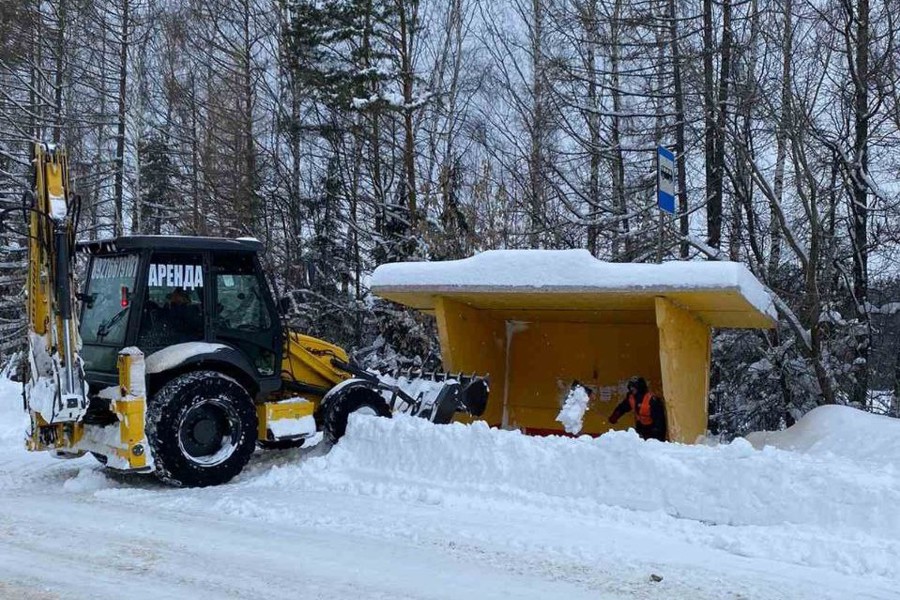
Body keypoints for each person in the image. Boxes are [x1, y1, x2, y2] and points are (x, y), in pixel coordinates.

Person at [608, 376, 667, 441]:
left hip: (653, 428)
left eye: (633, 387)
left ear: (640, 387)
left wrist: (658, 434)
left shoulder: (652, 400)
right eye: (630, 387)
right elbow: (623, 407)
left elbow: (660, 419)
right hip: (640, 427)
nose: (632, 389)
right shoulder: (631, 398)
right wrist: (615, 415)